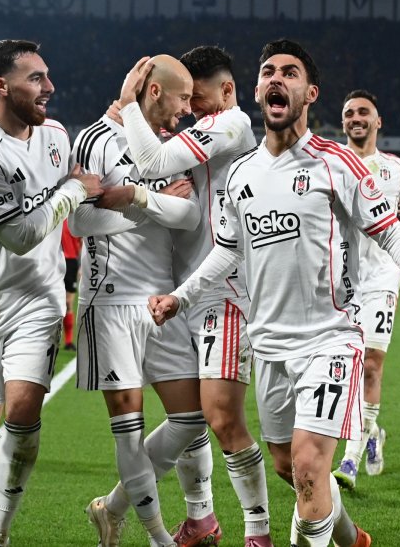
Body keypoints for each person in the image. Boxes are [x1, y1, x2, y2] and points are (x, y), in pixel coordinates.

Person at [150, 39, 400, 547]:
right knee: (291, 468)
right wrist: (180, 297)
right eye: (268, 71)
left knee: (312, 469)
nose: (276, 79)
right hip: (268, 344)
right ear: (255, 90)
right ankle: (353, 538)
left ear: (309, 93)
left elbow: (390, 230)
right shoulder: (242, 175)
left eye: (290, 73)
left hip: (331, 340)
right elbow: (226, 252)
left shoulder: (338, 164)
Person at [0, 39, 101, 547]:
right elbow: (23, 233)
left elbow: (73, 211)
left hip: (39, 295)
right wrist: (76, 189)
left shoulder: (55, 134)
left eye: (47, 76)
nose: (49, 87)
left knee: (24, 408)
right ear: (1, 87)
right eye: (36, 78)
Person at [113, 46, 270, 546]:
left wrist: (129, 105)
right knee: (191, 418)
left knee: (219, 415)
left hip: (224, 289)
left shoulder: (233, 124)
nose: (188, 113)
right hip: (184, 291)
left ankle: (257, 531)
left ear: (226, 92)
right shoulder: (203, 131)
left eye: (196, 101)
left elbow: (151, 159)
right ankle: (199, 516)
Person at [74, 54, 202, 547]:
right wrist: (146, 205)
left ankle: (111, 508)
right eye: (184, 98)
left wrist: (136, 198)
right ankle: (158, 538)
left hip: (161, 301)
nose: (188, 110)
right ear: (155, 92)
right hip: (110, 302)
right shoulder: (95, 139)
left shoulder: (167, 148)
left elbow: (189, 215)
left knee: (192, 418)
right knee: (128, 428)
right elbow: (81, 222)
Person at [331, 89, 400, 490]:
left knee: (372, 364)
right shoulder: (331, 163)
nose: (356, 118)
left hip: (381, 279)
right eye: (349, 113)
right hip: (338, 283)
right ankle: (372, 432)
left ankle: (351, 459)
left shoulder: (396, 169)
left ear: (378, 121)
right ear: (343, 123)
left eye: (364, 112)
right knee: (345, 373)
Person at [60, 219, 81, 350]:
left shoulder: (76, 218)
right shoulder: (55, 214)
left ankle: (68, 341)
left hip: (71, 263)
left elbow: (85, 242)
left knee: (68, 303)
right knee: (53, 302)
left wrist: (83, 266)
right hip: (55, 260)